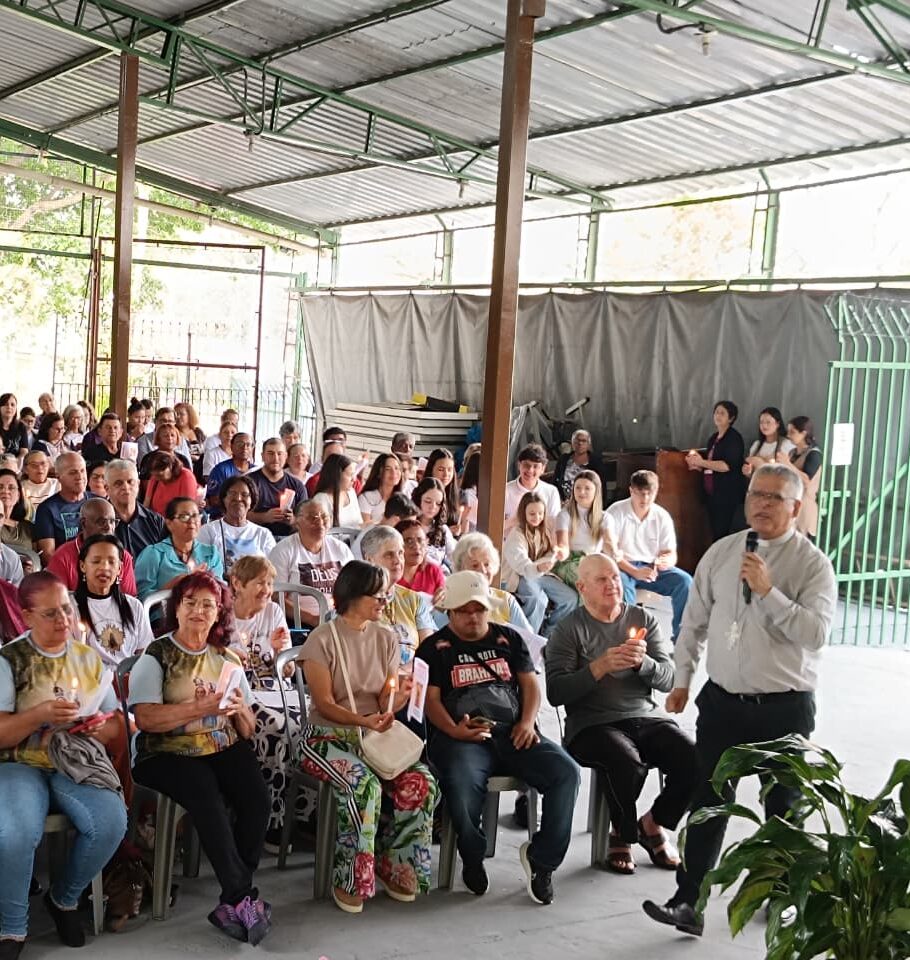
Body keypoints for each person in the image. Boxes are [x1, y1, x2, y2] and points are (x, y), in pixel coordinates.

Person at [641, 464, 837, 938]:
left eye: (774, 497)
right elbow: (692, 623)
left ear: (795, 507)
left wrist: (769, 592)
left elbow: (816, 635)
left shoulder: (812, 565)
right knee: (708, 802)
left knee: (784, 806)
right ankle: (688, 901)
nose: (762, 504)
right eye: (756, 494)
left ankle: (783, 896)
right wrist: (682, 679)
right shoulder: (723, 551)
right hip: (723, 704)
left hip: (784, 706)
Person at [418, 571, 580, 904]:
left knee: (566, 772)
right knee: (461, 785)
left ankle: (543, 860)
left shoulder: (509, 639)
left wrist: (527, 722)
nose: (473, 617)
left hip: (513, 731)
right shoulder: (434, 648)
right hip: (462, 735)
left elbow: (530, 685)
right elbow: (430, 701)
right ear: (449, 612)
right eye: (464, 610)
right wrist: (452, 729)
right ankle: (473, 853)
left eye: (479, 609)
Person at [128, 571, 271, 944]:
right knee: (205, 792)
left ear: (218, 612)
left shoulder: (227, 659)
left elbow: (248, 729)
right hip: (165, 751)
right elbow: (145, 719)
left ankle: (236, 890)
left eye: (208, 604)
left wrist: (240, 710)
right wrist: (198, 708)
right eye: (190, 602)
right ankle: (241, 897)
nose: (198, 610)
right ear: (177, 609)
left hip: (218, 744)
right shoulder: (156, 655)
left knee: (256, 795)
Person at [296, 561, 438, 913]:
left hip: (372, 734)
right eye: (377, 595)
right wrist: (363, 720)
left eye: (385, 594)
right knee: (364, 786)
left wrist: (400, 698)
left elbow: (383, 699)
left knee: (422, 781)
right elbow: (324, 704)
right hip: (326, 736)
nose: (383, 601)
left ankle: (397, 866)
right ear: (353, 595)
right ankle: (350, 877)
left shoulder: (386, 637)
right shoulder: (322, 639)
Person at [546, 554, 699, 875]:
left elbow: (669, 678)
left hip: (646, 715)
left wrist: (643, 664)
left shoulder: (643, 620)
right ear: (582, 587)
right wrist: (598, 668)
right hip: (592, 723)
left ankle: (653, 823)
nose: (611, 584)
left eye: (614, 577)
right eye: (601, 580)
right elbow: (556, 693)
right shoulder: (568, 629)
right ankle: (622, 834)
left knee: (696, 759)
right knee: (626, 761)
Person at [0, 572, 126, 957]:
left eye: (68, 610)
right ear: (26, 616)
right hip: (20, 760)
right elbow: (2, 734)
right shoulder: (10, 660)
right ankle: (12, 926)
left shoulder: (88, 657)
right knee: (16, 833)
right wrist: (39, 714)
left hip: (75, 759)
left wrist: (102, 729)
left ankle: (64, 898)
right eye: (51, 614)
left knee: (111, 821)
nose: (64, 621)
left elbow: (117, 723)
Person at [228, 556, 306, 852]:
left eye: (270, 583)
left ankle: (303, 814)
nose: (266, 589)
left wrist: (278, 654)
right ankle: (271, 821)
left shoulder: (273, 611)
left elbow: (287, 670)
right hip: (240, 694)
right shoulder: (224, 614)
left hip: (275, 688)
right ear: (238, 584)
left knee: (308, 720)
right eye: (260, 582)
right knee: (275, 729)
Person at [606, 470, 693, 643]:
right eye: (640, 494)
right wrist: (634, 571)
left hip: (650, 567)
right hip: (623, 565)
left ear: (656, 492)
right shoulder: (616, 512)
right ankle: (628, 639)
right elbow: (609, 552)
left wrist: (666, 560)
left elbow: (670, 552)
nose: (645, 499)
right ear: (631, 491)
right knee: (621, 585)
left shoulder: (662, 516)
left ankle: (681, 640)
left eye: (649, 494)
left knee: (685, 582)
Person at [267, 497, 353, 627]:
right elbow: (276, 598)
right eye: (312, 518)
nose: (320, 522)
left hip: (339, 619)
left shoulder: (340, 548)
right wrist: (313, 619)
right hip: (299, 624)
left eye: (324, 517)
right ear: (297, 522)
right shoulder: (283, 551)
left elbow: (355, 587)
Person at [359, 525, 435, 671]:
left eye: (400, 553)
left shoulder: (413, 599)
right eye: (389, 555)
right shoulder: (355, 603)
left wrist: (405, 672)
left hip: (413, 680)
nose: (397, 561)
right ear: (369, 560)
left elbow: (429, 649)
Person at [502, 491, 577, 636]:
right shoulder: (516, 535)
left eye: (540, 513)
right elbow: (522, 565)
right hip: (520, 575)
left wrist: (555, 554)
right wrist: (538, 566)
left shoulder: (545, 530)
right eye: (532, 514)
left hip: (540, 574)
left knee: (570, 598)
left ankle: (548, 635)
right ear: (523, 513)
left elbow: (550, 552)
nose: (537, 517)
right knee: (539, 599)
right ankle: (529, 639)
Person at [73, 533, 150, 667]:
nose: (104, 568)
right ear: (82, 566)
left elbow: (145, 652)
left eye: (111, 562)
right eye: (96, 561)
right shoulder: (69, 607)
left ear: (120, 568)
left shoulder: (134, 606)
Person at [134, 497, 224, 600]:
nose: (191, 521)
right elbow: (141, 597)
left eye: (195, 515)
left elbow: (220, 592)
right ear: (169, 523)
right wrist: (175, 584)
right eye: (184, 517)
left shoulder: (211, 553)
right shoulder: (153, 554)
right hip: (163, 615)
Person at [46, 498, 138, 596]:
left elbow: (129, 601)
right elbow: (57, 602)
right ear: (83, 523)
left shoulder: (123, 556)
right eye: (102, 522)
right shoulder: (62, 557)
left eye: (112, 522)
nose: (109, 527)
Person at [685, 400, 745, 542]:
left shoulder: (734, 438)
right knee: (713, 532)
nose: (718, 415)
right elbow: (709, 465)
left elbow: (726, 466)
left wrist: (702, 462)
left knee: (722, 534)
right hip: (711, 494)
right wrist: (696, 464)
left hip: (726, 495)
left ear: (731, 418)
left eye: (722, 413)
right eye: (716, 412)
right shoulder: (713, 438)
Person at [451, 533, 533, 633]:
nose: (483, 570)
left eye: (486, 564)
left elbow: (528, 639)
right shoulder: (451, 604)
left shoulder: (506, 601)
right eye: (475, 565)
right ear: (461, 569)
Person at [198, 475, 276, 574]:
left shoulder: (263, 534)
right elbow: (201, 569)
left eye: (245, 494)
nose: (238, 498)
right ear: (223, 499)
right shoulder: (208, 531)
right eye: (232, 493)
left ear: (252, 500)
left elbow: (271, 572)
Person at [554, 470, 616, 589]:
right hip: (570, 562)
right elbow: (563, 544)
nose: (581, 492)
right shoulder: (564, 515)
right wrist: (561, 552)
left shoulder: (605, 517)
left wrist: (614, 551)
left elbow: (608, 542)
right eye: (578, 488)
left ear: (596, 491)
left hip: (595, 561)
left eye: (587, 488)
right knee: (590, 583)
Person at [245, 438, 306, 537]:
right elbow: (238, 515)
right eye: (270, 453)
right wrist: (264, 517)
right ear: (262, 456)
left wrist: (292, 520)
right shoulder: (248, 482)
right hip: (255, 539)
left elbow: (305, 519)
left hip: (288, 540)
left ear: (286, 456)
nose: (275, 458)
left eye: (280, 454)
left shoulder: (297, 486)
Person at [106, 459, 165, 559]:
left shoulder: (156, 521)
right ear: (107, 489)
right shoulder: (99, 523)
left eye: (130, 482)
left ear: (138, 484)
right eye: (118, 483)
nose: (125, 487)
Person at [34, 452, 89, 559]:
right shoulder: (47, 509)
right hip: (64, 569)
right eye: (73, 472)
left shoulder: (99, 502)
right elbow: (48, 555)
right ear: (58, 476)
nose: (80, 476)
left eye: (82, 471)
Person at [503, 443, 561, 536]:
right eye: (526, 465)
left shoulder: (551, 492)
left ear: (543, 469)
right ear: (519, 465)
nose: (530, 470)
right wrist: (515, 520)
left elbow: (554, 525)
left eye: (535, 466)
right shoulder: (505, 491)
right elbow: (494, 526)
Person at [781, 416, 822, 543]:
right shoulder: (792, 453)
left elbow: (806, 480)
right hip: (790, 503)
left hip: (805, 506)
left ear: (804, 433)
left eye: (793, 432)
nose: (789, 435)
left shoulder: (814, 454)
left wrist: (788, 464)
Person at [206, 433, 255, 518]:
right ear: (232, 446)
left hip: (249, 519)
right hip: (222, 517)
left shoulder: (255, 471)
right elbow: (213, 499)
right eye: (240, 444)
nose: (244, 448)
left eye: (248, 445)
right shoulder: (221, 469)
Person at [410, 477, 456, 568]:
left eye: (438, 503)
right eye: (428, 501)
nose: (433, 507)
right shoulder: (408, 526)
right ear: (418, 499)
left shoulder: (443, 529)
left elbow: (455, 558)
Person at [553, 429, 608, 503]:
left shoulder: (596, 462)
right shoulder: (564, 459)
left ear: (588, 444)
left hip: (588, 501)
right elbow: (555, 481)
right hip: (565, 501)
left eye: (584, 441)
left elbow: (601, 486)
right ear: (572, 443)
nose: (580, 443)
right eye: (577, 440)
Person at [397, 517, 445, 599]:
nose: (416, 546)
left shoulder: (433, 571)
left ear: (427, 542)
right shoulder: (389, 574)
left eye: (420, 540)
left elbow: (443, 605)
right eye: (408, 541)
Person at [742, 406, 795, 479]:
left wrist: (761, 464)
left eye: (768, 422)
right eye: (761, 422)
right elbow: (751, 471)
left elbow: (789, 473)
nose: (764, 425)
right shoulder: (757, 444)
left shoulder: (786, 444)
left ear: (778, 424)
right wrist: (748, 471)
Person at [142, 451, 199, 517]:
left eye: (160, 475)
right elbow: (146, 503)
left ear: (170, 467)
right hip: (156, 522)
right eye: (154, 475)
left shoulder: (186, 476)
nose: (156, 478)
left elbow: (187, 508)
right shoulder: (155, 478)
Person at [314, 454, 362, 529]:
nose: (354, 479)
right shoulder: (321, 499)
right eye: (350, 475)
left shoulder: (351, 493)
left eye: (354, 474)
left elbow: (359, 523)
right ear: (337, 475)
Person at [358, 453, 405, 524]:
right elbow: (364, 530)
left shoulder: (402, 500)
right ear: (378, 473)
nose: (394, 472)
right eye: (388, 469)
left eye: (397, 468)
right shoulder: (366, 498)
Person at [425, 448, 462, 534]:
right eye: (441, 469)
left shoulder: (454, 495)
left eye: (450, 470)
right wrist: (447, 532)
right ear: (431, 470)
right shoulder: (424, 494)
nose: (446, 474)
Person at [0, 469, 35, 557]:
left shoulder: (28, 527)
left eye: (11, 488)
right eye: (0, 487)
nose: (5, 491)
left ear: (18, 496)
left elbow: (37, 557)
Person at [21, 451, 58, 517]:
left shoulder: (58, 484)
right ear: (25, 469)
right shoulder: (20, 487)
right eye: (34, 465)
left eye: (43, 464)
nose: (40, 468)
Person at [0, 395, 31, 467]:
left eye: (12, 405)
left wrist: (15, 462)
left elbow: (24, 451)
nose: (9, 407)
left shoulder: (21, 426)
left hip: (15, 464)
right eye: (5, 404)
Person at [174, 402, 205, 472]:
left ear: (189, 416)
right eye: (176, 414)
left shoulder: (198, 432)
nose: (178, 417)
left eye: (181, 414)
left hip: (199, 471)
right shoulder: (173, 432)